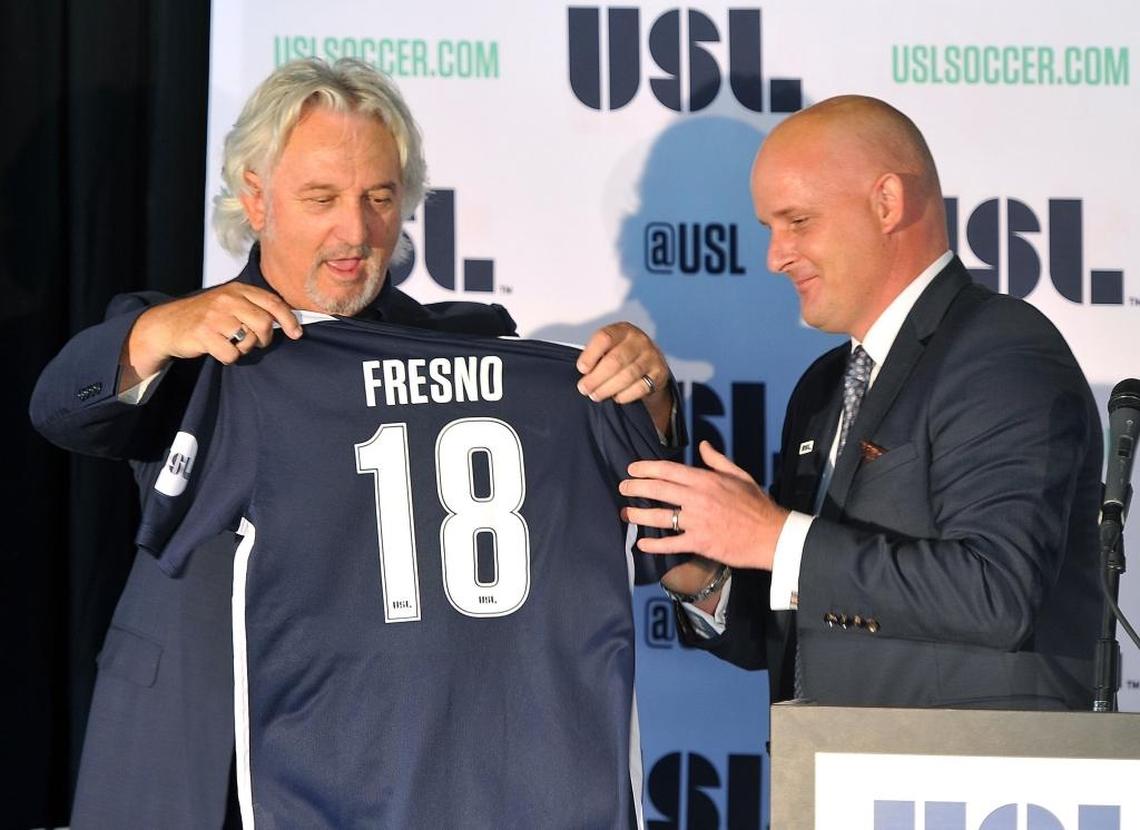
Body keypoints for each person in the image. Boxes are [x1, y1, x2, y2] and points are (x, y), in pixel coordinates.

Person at [31, 58, 674, 828]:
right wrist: (161, 332)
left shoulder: (473, 351)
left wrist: (647, 399)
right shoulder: (194, 351)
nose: (355, 230)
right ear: (255, 199)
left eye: (378, 197)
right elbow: (62, 410)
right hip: (200, 759)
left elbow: (622, 528)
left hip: (398, 768)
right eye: (322, 198)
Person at [621, 95, 1102, 710]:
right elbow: (805, 631)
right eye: (770, 229)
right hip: (832, 786)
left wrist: (774, 536)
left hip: (974, 792)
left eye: (798, 222)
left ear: (887, 203)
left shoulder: (1001, 349)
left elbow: (997, 593)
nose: (775, 257)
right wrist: (702, 569)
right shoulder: (824, 386)